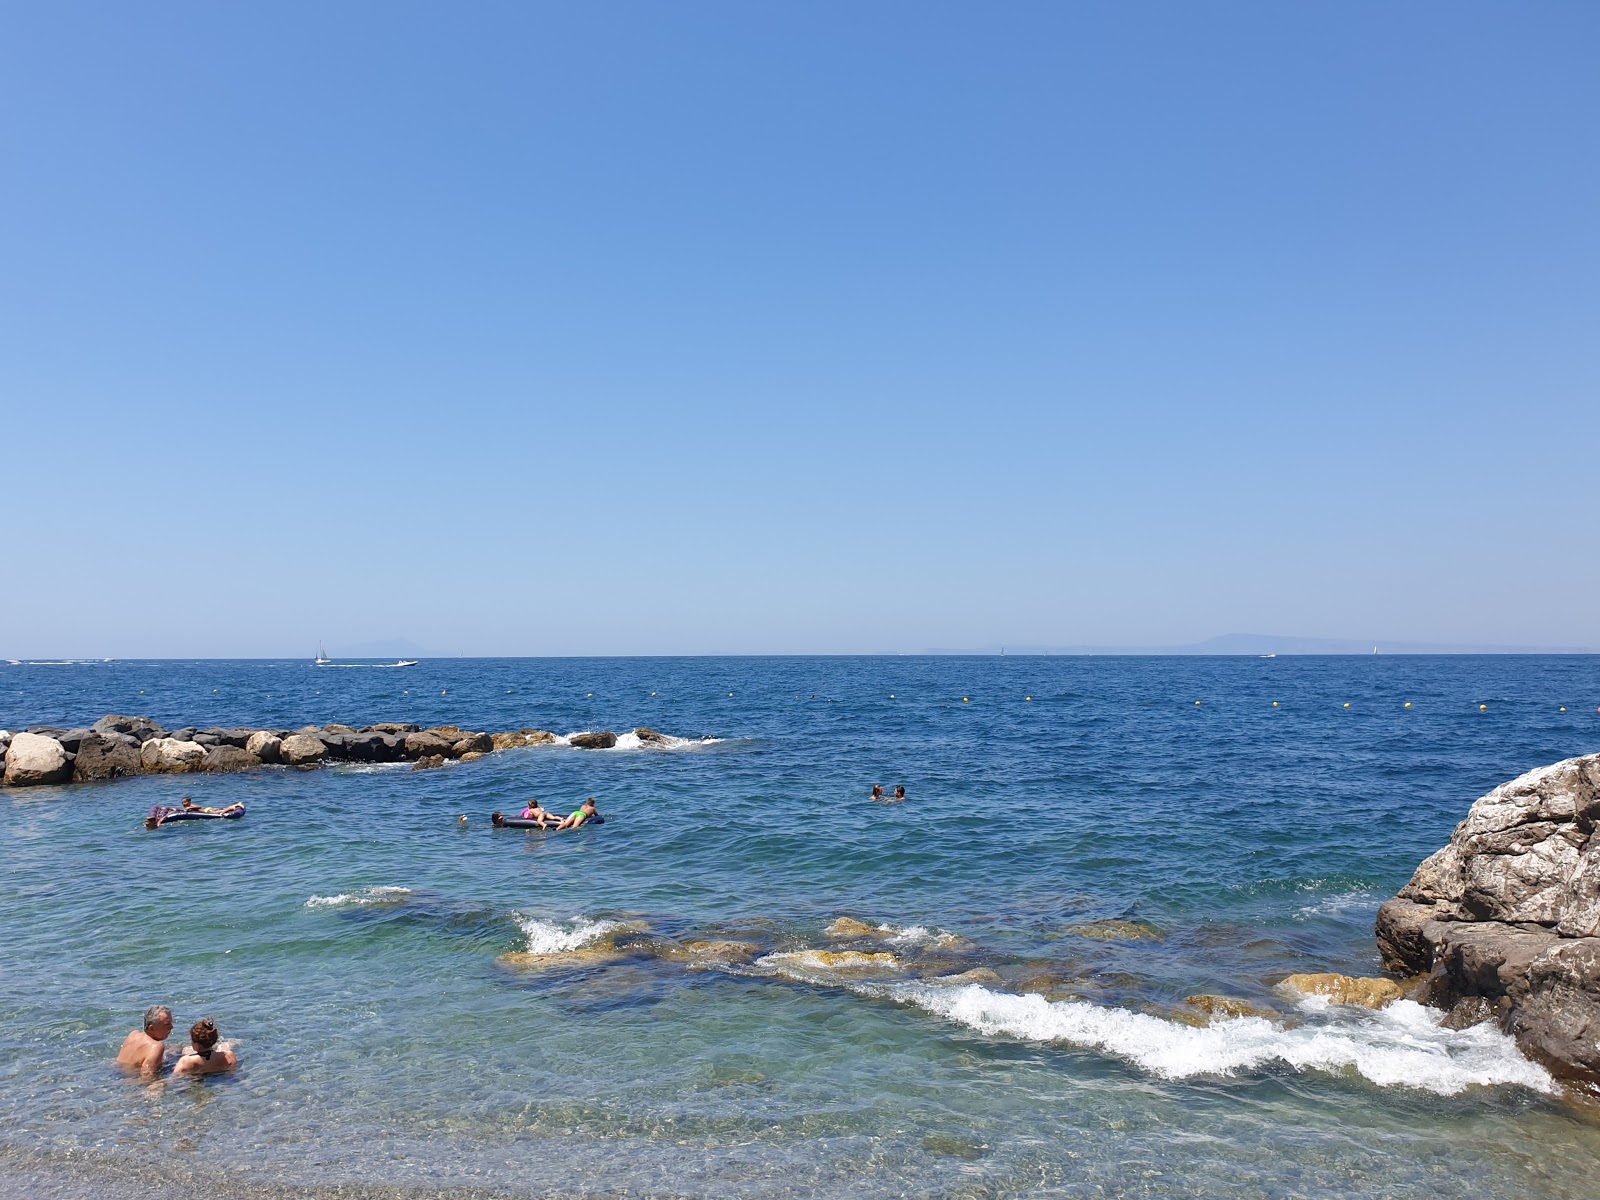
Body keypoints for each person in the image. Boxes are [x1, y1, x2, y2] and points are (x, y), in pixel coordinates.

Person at [115, 1005, 173, 1079]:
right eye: (166, 1024)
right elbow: (148, 1077)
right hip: (132, 1081)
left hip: (117, 1073)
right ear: (151, 1028)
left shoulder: (133, 1034)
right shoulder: (157, 1047)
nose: (171, 1027)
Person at [171, 1018, 237, 1078]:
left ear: (196, 1045)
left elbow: (173, 1079)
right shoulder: (229, 1056)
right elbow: (233, 1073)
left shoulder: (186, 1062)